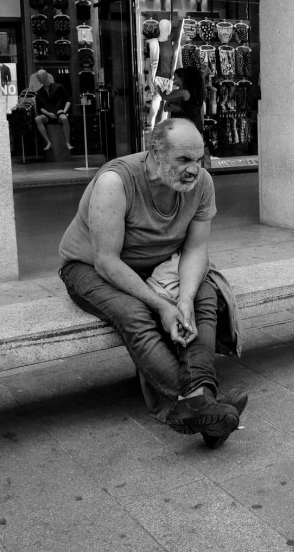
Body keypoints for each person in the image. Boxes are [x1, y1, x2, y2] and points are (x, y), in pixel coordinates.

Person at [58, 118, 246, 447]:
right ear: (156, 153)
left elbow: (196, 249)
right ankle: (204, 403)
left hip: (158, 264)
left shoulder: (202, 183)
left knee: (202, 296)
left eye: (199, 159)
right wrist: (160, 305)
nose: (195, 169)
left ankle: (202, 407)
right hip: (91, 267)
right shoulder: (115, 182)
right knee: (135, 313)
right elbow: (106, 260)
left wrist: (184, 299)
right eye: (184, 160)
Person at [33, 69, 73, 152]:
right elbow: (40, 107)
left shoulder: (58, 87)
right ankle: (48, 142)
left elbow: (69, 98)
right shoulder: (39, 92)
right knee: (37, 119)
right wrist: (48, 113)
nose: (39, 79)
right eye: (38, 78)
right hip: (47, 115)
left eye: (40, 77)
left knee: (64, 118)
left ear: (45, 76)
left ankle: (67, 142)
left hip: (59, 113)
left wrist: (64, 111)